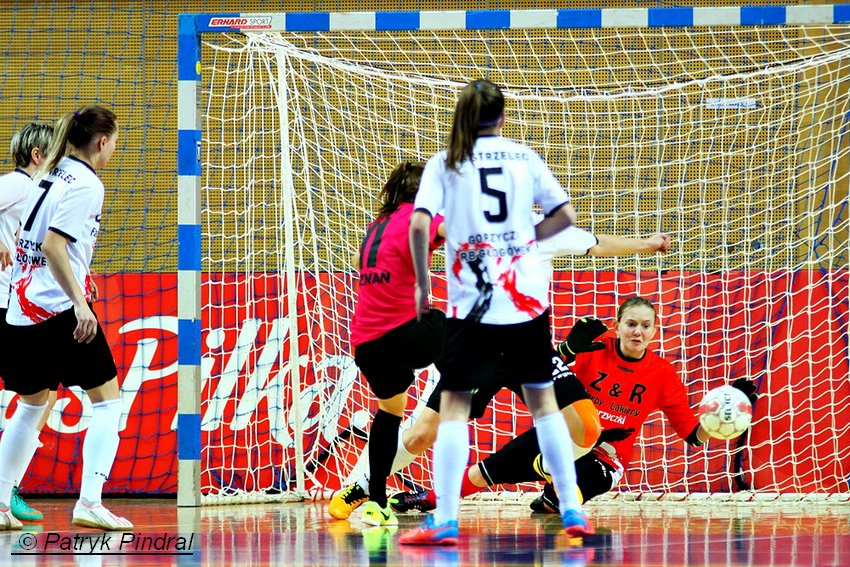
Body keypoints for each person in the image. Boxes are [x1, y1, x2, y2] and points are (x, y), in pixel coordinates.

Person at [329, 227, 672, 519]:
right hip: (476, 349)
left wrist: (649, 244)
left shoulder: (544, 231)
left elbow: (598, 244)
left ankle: (546, 468)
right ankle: (362, 485)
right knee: (422, 433)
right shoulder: (467, 226)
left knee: (586, 429)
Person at [399, 78, 588, 546]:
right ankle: (570, 507)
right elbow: (566, 215)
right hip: (525, 303)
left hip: (472, 307)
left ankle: (444, 518)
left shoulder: (446, 162)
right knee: (545, 406)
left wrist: (424, 281)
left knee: (455, 409)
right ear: (503, 116)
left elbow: (420, 223)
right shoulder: (524, 157)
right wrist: (525, 240)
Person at [399, 297, 759, 514]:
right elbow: (542, 373)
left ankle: (552, 495)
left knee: (568, 497)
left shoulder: (663, 374)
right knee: (482, 473)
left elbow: (692, 436)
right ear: (616, 326)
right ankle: (429, 498)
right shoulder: (595, 346)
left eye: (645, 326)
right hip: (563, 434)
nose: (638, 332)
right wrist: (568, 349)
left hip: (605, 456)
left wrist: (725, 414)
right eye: (630, 324)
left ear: (654, 331)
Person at [0, 105, 132, 531]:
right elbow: (56, 246)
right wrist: (79, 301)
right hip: (57, 309)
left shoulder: (47, 174)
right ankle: (90, 502)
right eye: (114, 142)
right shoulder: (88, 184)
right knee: (109, 401)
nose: (113, 149)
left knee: (32, 402)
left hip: (21, 310)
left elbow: (35, 242)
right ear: (101, 142)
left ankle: (1, 500)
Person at [331, 161, 447, 528]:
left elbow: (358, 261)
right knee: (467, 334)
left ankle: (376, 502)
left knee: (390, 413)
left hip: (367, 344)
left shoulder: (374, 227)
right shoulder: (419, 216)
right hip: (402, 332)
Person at [0, 123, 60, 523]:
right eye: (52, 153)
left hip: (19, 305)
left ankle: (7, 489)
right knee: (39, 394)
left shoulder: (39, 193)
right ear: (37, 156)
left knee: (43, 393)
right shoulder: (18, 185)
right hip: (5, 305)